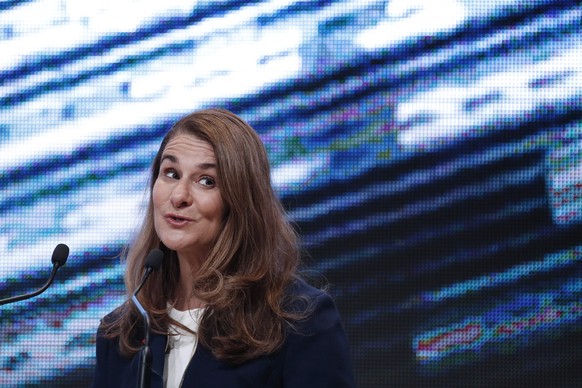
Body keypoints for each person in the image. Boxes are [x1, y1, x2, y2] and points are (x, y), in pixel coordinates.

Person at [92, 108, 355, 387]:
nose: (179, 195)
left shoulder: (299, 319)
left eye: (207, 181)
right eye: (170, 173)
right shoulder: (122, 332)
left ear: (240, 201)